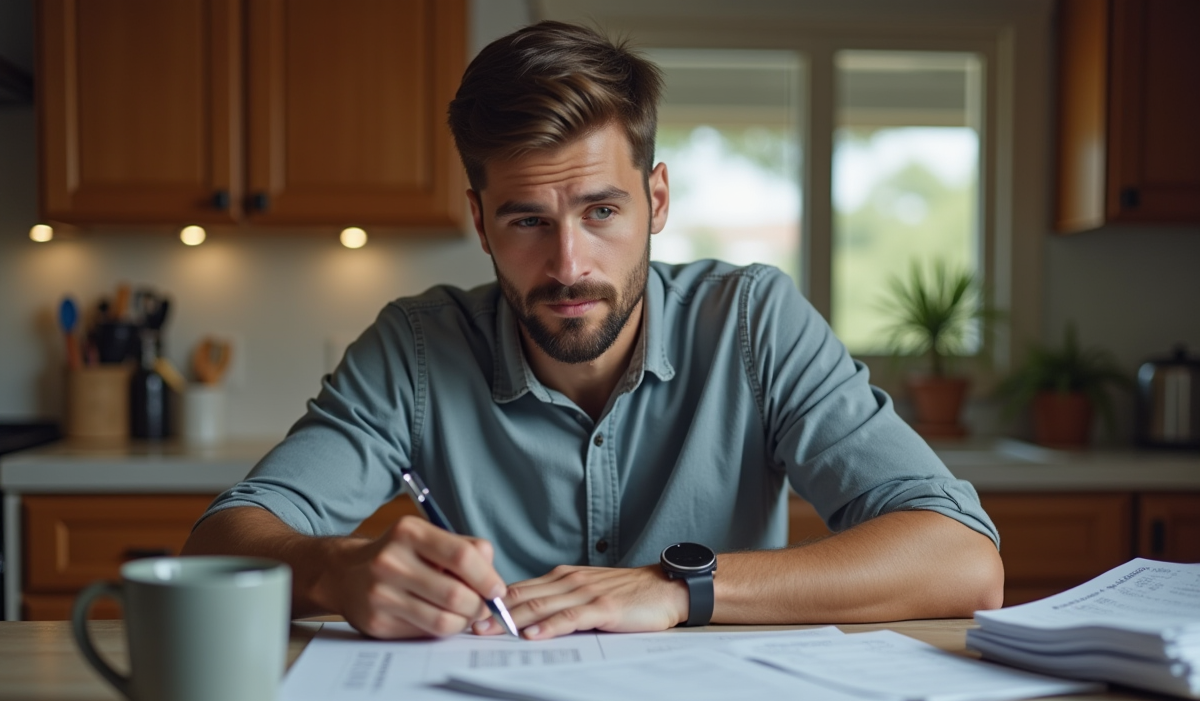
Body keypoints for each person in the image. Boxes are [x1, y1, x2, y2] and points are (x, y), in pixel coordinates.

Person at [183, 20, 1003, 641]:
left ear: (658, 201)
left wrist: (681, 587)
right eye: (528, 219)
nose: (569, 263)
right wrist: (332, 569)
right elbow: (220, 539)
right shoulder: (417, 348)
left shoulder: (754, 322)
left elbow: (965, 561)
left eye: (602, 211)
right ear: (479, 221)